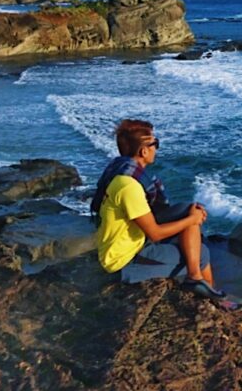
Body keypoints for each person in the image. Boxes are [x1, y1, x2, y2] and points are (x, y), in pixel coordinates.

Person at [92, 119, 224, 299]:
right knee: (202, 253)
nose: (156, 148)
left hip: (133, 241)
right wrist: (192, 220)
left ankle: (195, 278)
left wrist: (191, 215)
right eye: (155, 144)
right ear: (144, 151)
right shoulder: (128, 187)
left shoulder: (122, 172)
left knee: (188, 209)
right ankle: (207, 295)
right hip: (124, 260)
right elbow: (155, 233)